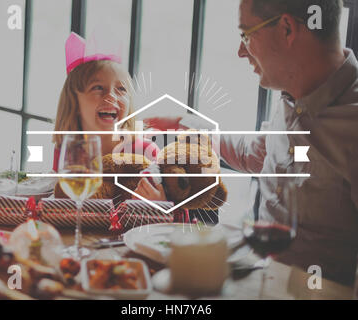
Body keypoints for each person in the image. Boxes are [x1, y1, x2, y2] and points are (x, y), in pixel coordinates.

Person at [144, 0, 358, 286]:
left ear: (286, 29)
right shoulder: (294, 96)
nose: (241, 51)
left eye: (246, 34)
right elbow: (256, 152)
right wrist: (184, 123)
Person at [53, 32, 166, 201]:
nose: (111, 96)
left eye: (121, 89)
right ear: (74, 102)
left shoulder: (145, 152)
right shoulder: (68, 150)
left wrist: (159, 201)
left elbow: (169, 214)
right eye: (98, 87)